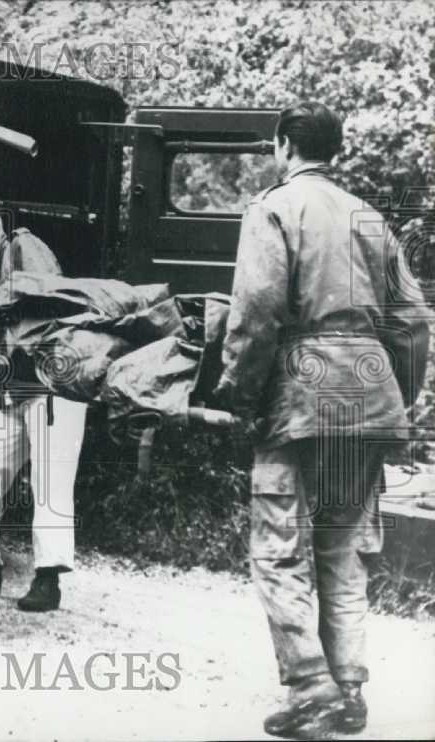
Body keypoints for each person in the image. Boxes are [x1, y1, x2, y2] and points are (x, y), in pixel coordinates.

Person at [212, 101, 431, 738]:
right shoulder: (373, 219)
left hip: (297, 399)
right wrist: (395, 396)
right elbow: (413, 321)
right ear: (335, 151)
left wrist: (237, 395)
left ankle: (310, 686)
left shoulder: (272, 208)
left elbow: (254, 313)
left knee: (279, 550)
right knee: (343, 547)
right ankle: (351, 688)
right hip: (366, 398)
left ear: (283, 145)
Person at [0, 195, 88, 611]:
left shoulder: (26, 247)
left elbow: (51, 307)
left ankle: (48, 580)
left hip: (52, 385)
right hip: (15, 390)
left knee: (50, 483)